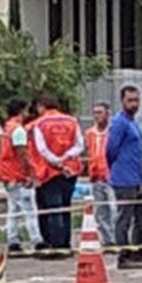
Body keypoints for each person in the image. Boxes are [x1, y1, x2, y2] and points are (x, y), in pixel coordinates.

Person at [107, 85, 142, 269]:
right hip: (124, 179)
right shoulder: (119, 122)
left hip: (137, 178)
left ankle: (138, 251)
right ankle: (124, 255)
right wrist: (117, 168)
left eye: (136, 100)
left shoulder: (133, 122)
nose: (134, 104)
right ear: (122, 101)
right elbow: (110, 149)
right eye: (130, 100)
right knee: (124, 218)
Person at [30, 94, 84, 255]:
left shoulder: (39, 124)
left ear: (41, 106)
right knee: (65, 207)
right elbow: (79, 145)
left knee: (52, 209)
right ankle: (66, 244)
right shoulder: (72, 121)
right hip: (70, 170)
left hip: (49, 171)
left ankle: (55, 245)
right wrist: (65, 159)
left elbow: (42, 149)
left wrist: (56, 161)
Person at [0, 98, 45, 254]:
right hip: (18, 176)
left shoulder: (8, 127)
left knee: (14, 210)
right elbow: (22, 154)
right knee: (29, 209)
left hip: (8, 174)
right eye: (26, 110)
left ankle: (13, 241)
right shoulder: (18, 130)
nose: (28, 113)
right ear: (21, 111)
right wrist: (30, 174)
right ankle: (36, 240)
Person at [84, 102, 117, 245]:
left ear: (108, 114)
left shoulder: (114, 131)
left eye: (100, 112)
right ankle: (108, 240)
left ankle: (118, 238)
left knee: (115, 209)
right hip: (96, 176)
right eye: (95, 113)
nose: (97, 116)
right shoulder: (90, 133)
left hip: (111, 176)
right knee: (101, 211)